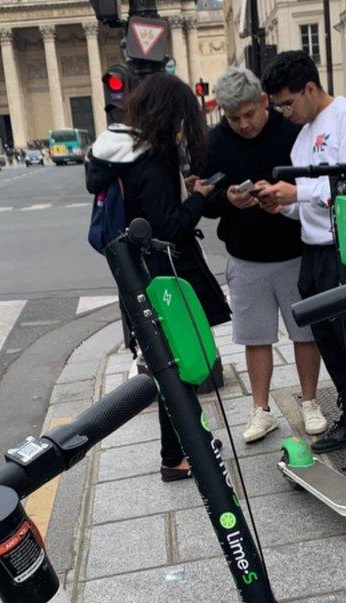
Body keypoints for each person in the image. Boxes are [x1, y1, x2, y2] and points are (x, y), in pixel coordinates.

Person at [86, 72, 229, 481]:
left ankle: (187, 444)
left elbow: (146, 208)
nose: (184, 128)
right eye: (182, 119)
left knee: (170, 363)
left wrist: (181, 189)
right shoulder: (153, 161)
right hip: (164, 277)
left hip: (137, 274)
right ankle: (176, 456)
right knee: (176, 365)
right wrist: (199, 198)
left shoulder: (125, 155)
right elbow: (168, 226)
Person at [255, 50, 346, 457]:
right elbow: (307, 204)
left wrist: (298, 192)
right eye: (279, 105)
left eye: (288, 102)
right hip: (313, 251)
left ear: (310, 88)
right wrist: (280, 203)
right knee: (329, 341)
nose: (284, 112)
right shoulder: (302, 137)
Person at [204, 66, 326, 443]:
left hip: (294, 250)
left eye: (249, 114)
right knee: (255, 337)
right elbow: (205, 201)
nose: (242, 124)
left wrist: (285, 192)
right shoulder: (214, 142)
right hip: (245, 254)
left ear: (263, 101)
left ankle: (310, 402)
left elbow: (314, 183)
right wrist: (227, 198)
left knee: (305, 332)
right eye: (233, 118)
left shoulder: (293, 130)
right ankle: (261, 410)